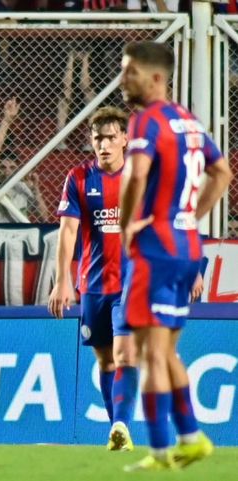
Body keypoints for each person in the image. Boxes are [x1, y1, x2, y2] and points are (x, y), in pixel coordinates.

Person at [119, 41, 233, 471]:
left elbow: (136, 176)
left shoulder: (146, 122)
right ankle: (187, 440)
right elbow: (221, 173)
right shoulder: (188, 121)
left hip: (154, 249)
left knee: (149, 352)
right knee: (164, 351)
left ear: (155, 78)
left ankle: (162, 449)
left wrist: (128, 222)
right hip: (186, 247)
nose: (123, 79)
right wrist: (190, 215)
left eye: (130, 72)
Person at [47, 106, 138, 452]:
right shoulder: (79, 178)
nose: (104, 144)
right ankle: (120, 432)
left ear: (125, 140)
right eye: (98, 138)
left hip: (133, 282)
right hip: (94, 284)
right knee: (106, 360)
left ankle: (120, 424)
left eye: (111, 137)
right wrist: (62, 280)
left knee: (125, 354)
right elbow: (67, 231)